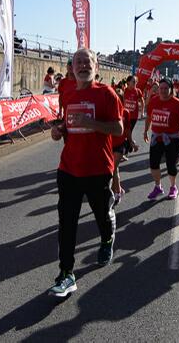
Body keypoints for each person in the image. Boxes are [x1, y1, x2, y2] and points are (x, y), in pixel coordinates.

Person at [49, 48, 123, 298]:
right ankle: (66, 273)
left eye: (87, 61)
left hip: (98, 169)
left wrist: (91, 123)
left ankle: (107, 238)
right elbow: (68, 126)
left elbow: (117, 128)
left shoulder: (107, 94)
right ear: (72, 67)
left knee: (101, 214)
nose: (82, 65)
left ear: (96, 66)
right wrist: (59, 131)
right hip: (68, 168)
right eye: (78, 62)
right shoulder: (68, 93)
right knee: (66, 222)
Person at [144, 79, 179, 200]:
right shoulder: (154, 101)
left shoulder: (177, 104)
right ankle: (158, 187)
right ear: (158, 89)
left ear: (171, 89)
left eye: (166, 88)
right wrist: (145, 130)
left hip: (172, 139)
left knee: (171, 164)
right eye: (161, 88)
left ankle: (173, 187)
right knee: (153, 164)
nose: (163, 91)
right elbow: (149, 117)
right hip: (157, 137)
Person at [112, 87, 133, 206]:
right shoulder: (107, 111)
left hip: (120, 145)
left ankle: (117, 193)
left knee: (113, 168)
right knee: (114, 170)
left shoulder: (126, 112)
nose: (117, 102)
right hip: (108, 145)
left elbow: (128, 129)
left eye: (119, 99)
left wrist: (131, 142)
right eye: (115, 99)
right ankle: (118, 189)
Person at [122, 76, 145, 152]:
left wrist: (142, 112)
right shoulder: (124, 90)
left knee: (129, 131)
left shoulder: (138, 91)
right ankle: (130, 145)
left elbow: (142, 101)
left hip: (133, 116)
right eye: (134, 82)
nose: (135, 83)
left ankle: (126, 149)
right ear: (128, 82)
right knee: (125, 132)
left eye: (136, 82)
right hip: (124, 116)